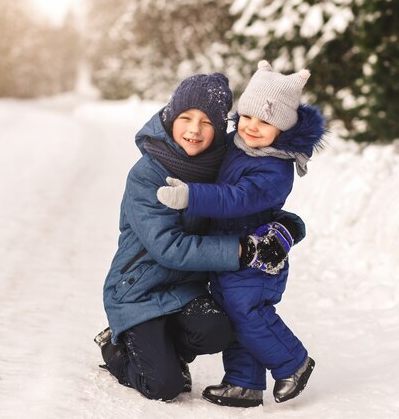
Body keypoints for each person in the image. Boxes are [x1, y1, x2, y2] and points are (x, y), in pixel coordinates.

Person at [94, 71, 306, 402]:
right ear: (169, 117)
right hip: (138, 292)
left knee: (220, 327)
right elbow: (169, 248)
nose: (195, 129)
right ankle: (117, 348)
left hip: (186, 289)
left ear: (220, 129)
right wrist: (242, 250)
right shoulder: (147, 174)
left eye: (207, 122)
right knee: (163, 386)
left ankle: (171, 352)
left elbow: (249, 202)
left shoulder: (221, 163)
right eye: (186, 117)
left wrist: (290, 228)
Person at [157, 60, 325, 407]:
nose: (251, 127)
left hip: (257, 255)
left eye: (265, 122)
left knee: (248, 313)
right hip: (231, 249)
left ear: (283, 127)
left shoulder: (275, 166)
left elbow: (238, 198)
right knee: (235, 316)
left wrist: (192, 196)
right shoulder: (241, 145)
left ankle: (293, 361)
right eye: (247, 117)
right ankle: (244, 383)